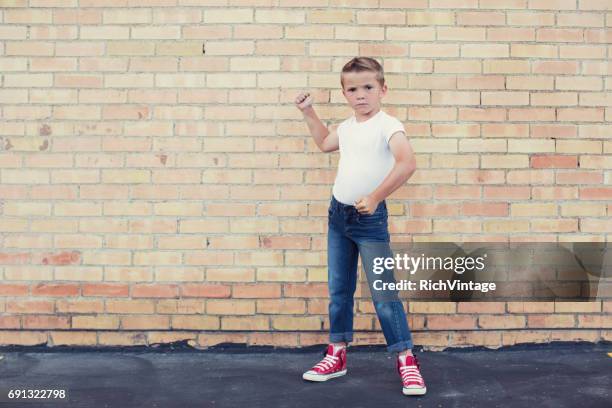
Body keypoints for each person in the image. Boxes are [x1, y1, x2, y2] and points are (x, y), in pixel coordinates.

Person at [294, 57, 425, 396]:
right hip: (338, 217)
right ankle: (336, 354)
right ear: (344, 93)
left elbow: (407, 162)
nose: (360, 95)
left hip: (369, 222)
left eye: (368, 87)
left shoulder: (388, 125)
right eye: (352, 89)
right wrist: (309, 113)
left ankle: (406, 359)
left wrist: (377, 196)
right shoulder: (348, 127)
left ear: (383, 89)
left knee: (383, 295)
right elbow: (324, 143)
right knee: (339, 292)